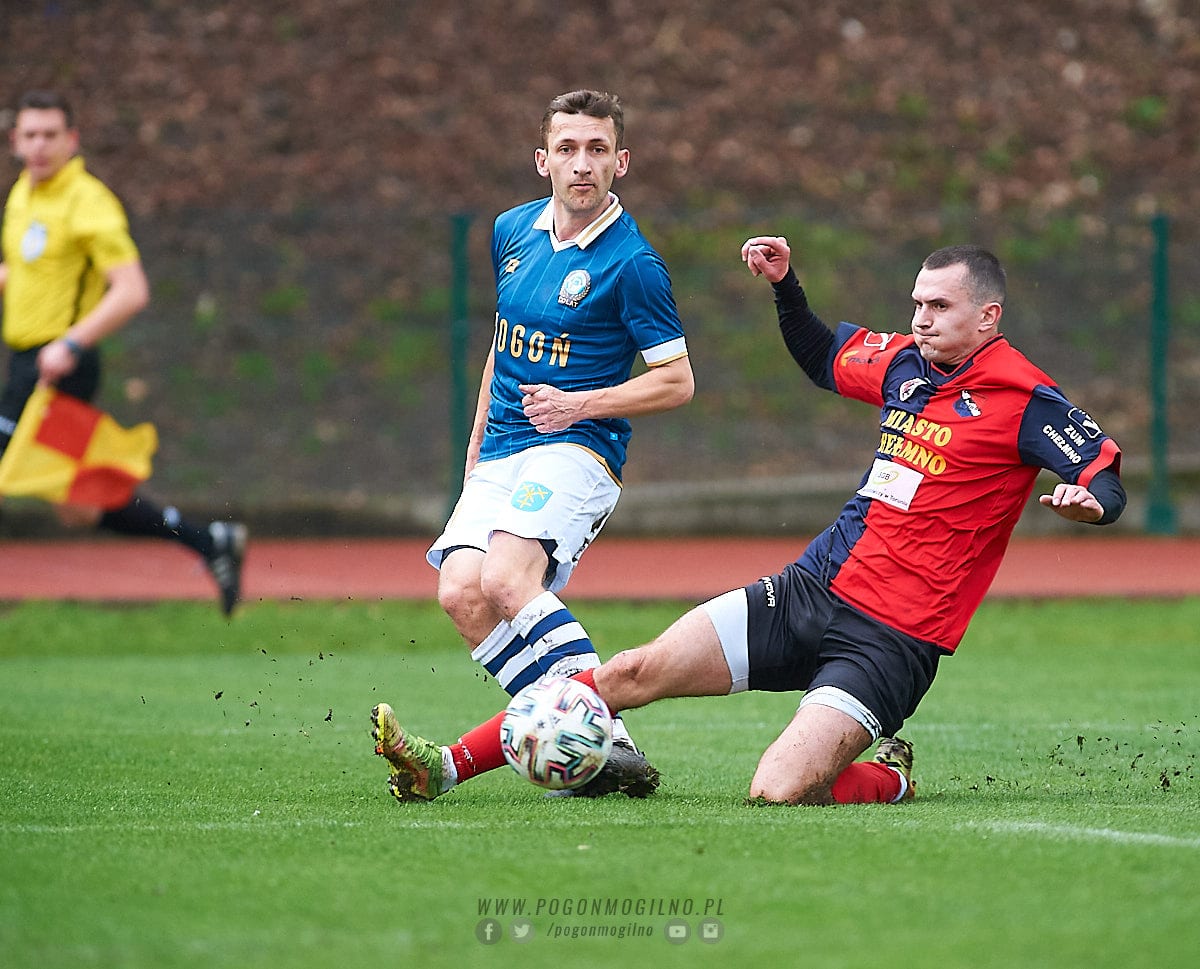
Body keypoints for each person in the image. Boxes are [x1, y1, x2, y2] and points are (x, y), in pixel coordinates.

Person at [370, 235, 1126, 805]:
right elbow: (823, 354)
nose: (919, 319)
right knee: (630, 671)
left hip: (892, 636)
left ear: (988, 316)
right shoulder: (904, 363)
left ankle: (888, 778)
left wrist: (1091, 501)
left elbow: (1101, 469)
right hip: (809, 589)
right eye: (917, 304)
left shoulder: (1023, 397)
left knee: (777, 789)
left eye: (939, 307)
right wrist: (785, 288)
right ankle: (445, 766)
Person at [393, 89, 694, 801]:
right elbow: (502, 347)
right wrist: (476, 450)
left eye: (597, 150)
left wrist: (578, 405)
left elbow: (676, 381)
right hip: (503, 447)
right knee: (461, 593)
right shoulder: (511, 230)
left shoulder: (634, 264)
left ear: (621, 162)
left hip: (579, 447)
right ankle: (585, 752)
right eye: (567, 149)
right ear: (543, 160)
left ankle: (607, 735)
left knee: (506, 580)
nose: (581, 164)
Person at [0, 90, 246, 615]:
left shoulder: (87, 202)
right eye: (30, 135)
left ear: (72, 140)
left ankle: (207, 541)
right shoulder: (23, 195)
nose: (39, 145)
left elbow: (132, 290)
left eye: (50, 135)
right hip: (24, 363)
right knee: (78, 507)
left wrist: (70, 343)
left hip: (59, 369)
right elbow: (29, 272)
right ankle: (208, 541)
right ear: (15, 141)